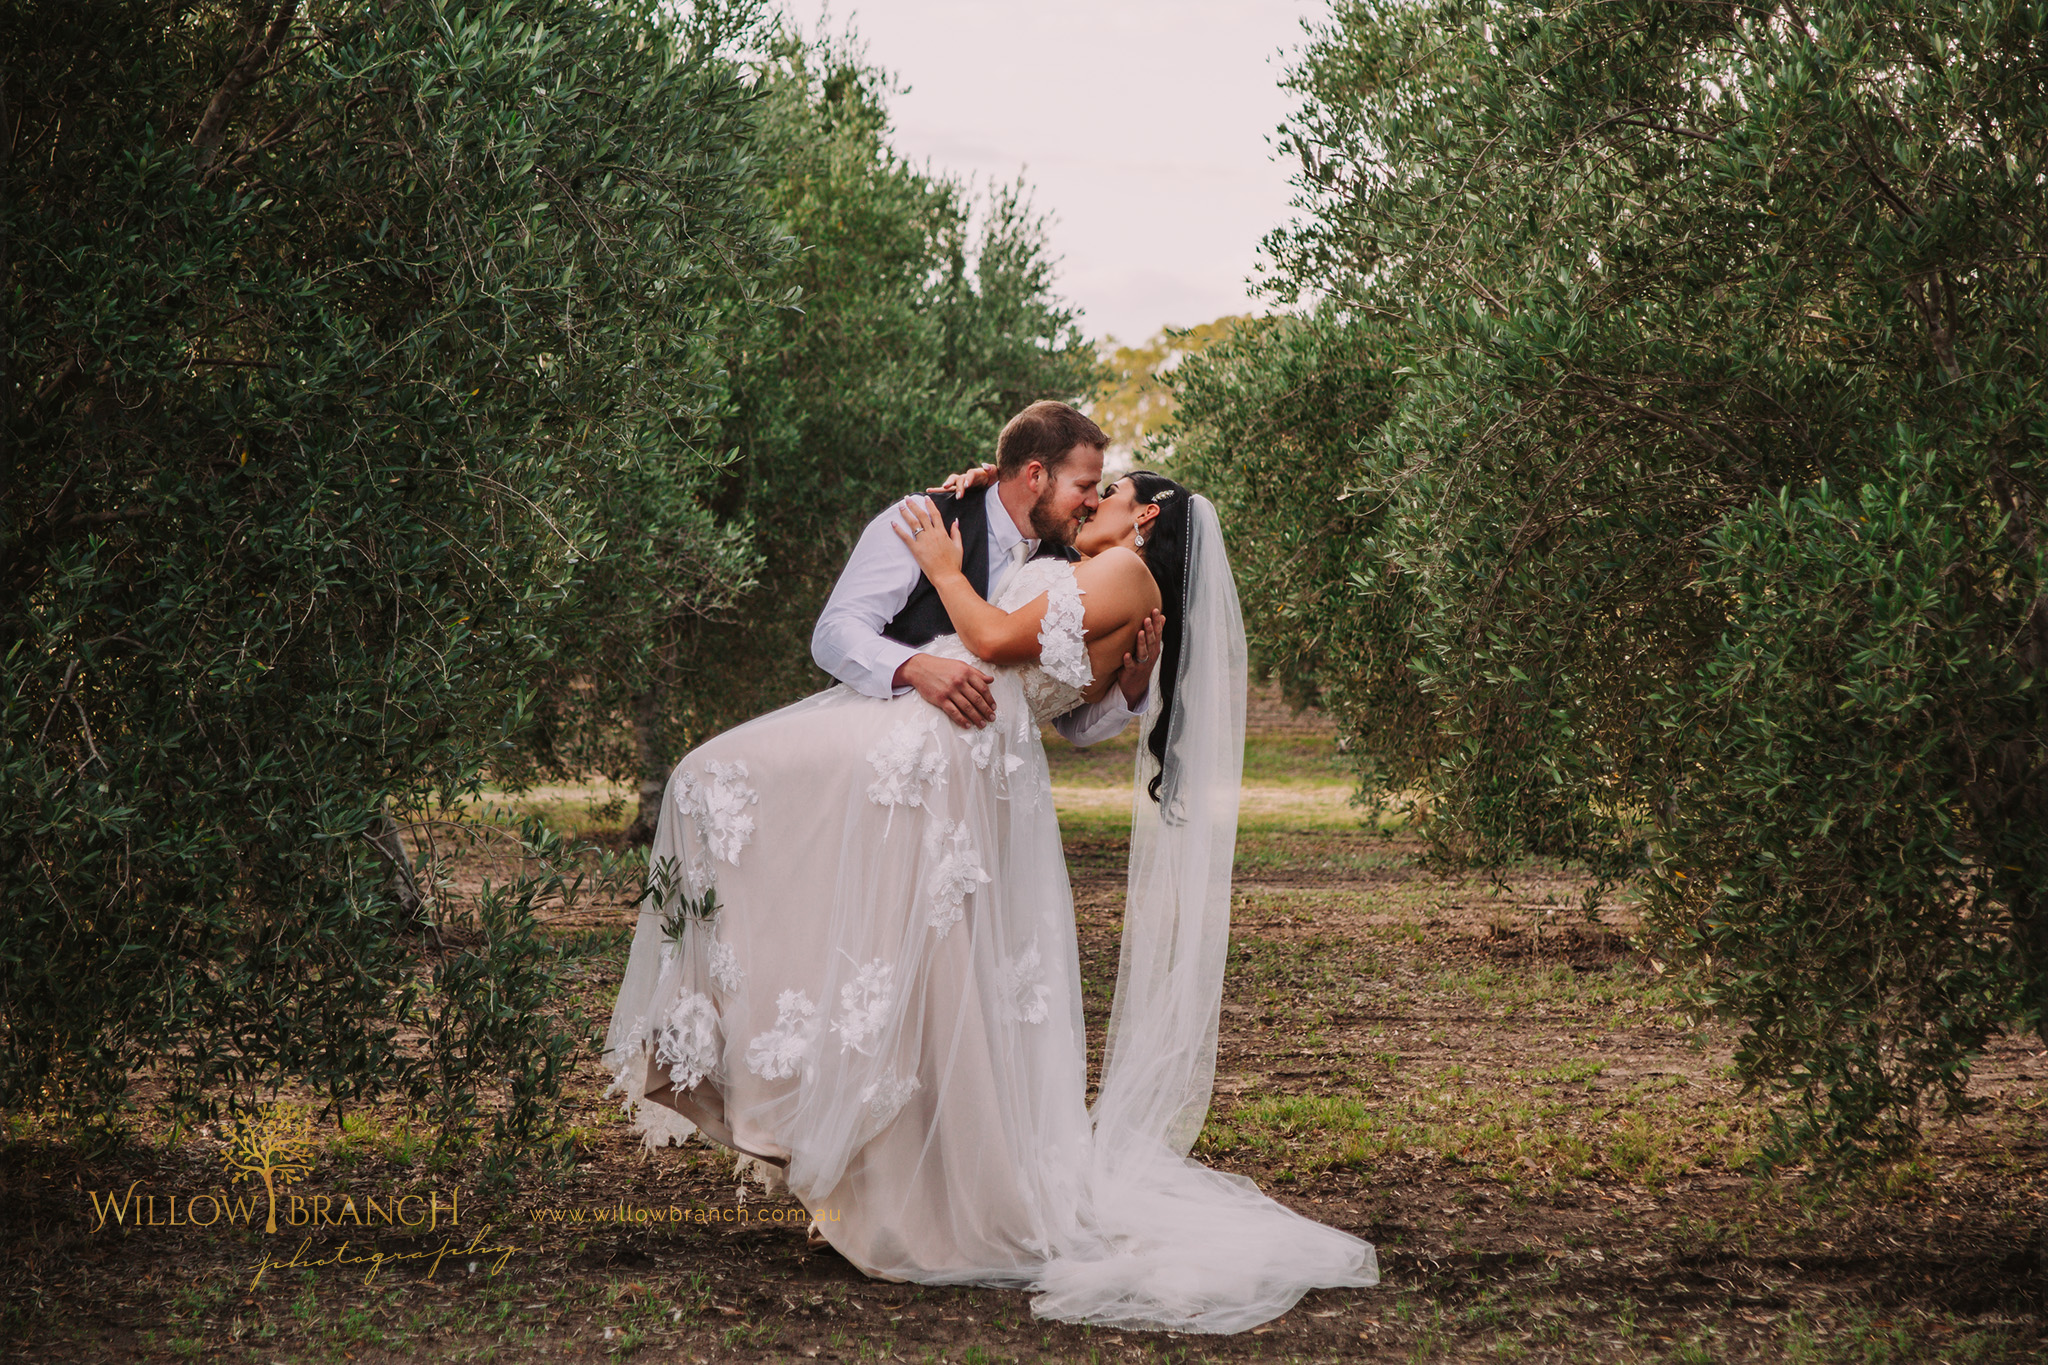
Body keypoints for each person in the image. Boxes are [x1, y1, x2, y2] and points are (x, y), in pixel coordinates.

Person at [603, 401, 1378, 1332]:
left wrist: (1116, 687)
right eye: (1089, 482)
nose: (1095, 495)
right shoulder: (935, 514)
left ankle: (915, 1191)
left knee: (936, 986)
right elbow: (838, 633)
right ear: (1038, 476)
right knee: (833, 909)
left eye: (1108, 488)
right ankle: (832, 1142)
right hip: (917, 747)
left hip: (968, 778)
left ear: (1143, 519)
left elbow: (1042, 688)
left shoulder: (1097, 566)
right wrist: (912, 668)